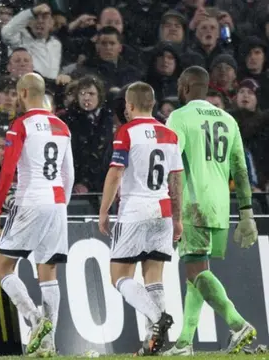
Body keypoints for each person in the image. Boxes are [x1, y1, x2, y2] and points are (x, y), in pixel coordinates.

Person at [164, 66, 258, 356]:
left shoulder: (178, 117)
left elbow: (172, 166)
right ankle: (184, 343)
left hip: (194, 203)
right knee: (199, 272)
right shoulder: (228, 120)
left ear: (187, 86)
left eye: (181, 82)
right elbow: (240, 170)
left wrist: (173, 211)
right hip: (220, 205)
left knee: (195, 270)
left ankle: (237, 323)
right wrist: (246, 213)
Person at [0, 73, 74, 357]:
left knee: (1, 268)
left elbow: (9, 169)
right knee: (48, 273)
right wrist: (62, 204)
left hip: (30, 200)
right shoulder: (62, 126)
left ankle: (36, 321)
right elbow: (68, 174)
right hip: (57, 202)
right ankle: (48, 346)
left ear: (23, 92)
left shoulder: (20, 125)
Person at [98, 82, 181, 356]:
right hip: (163, 211)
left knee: (118, 277)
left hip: (135, 210)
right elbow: (176, 179)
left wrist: (104, 210)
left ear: (130, 106)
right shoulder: (170, 134)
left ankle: (157, 318)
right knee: (153, 275)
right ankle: (154, 341)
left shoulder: (126, 131)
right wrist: (178, 219)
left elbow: (115, 173)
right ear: (153, 105)